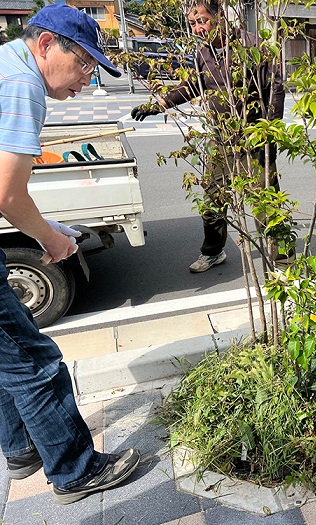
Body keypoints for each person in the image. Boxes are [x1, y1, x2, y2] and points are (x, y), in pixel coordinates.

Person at [0, 4, 140, 504]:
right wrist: (51, 239)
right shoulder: (22, 85)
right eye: (83, 64)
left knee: (6, 356)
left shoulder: (7, 67)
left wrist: (47, 224)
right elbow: (7, 195)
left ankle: (20, 449)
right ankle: (75, 470)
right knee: (34, 360)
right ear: (45, 46)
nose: (85, 79)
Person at [131, 0, 287, 273]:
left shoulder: (252, 46)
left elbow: (275, 88)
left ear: (220, 17)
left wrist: (268, 131)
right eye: (192, 23)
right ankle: (214, 252)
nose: (197, 28)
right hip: (221, 137)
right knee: (213, 198)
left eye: (201, 20)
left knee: (265, 203)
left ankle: (284, 263)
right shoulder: (203, 54)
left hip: (254, 137)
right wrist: (158, 105)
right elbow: (193, 85)